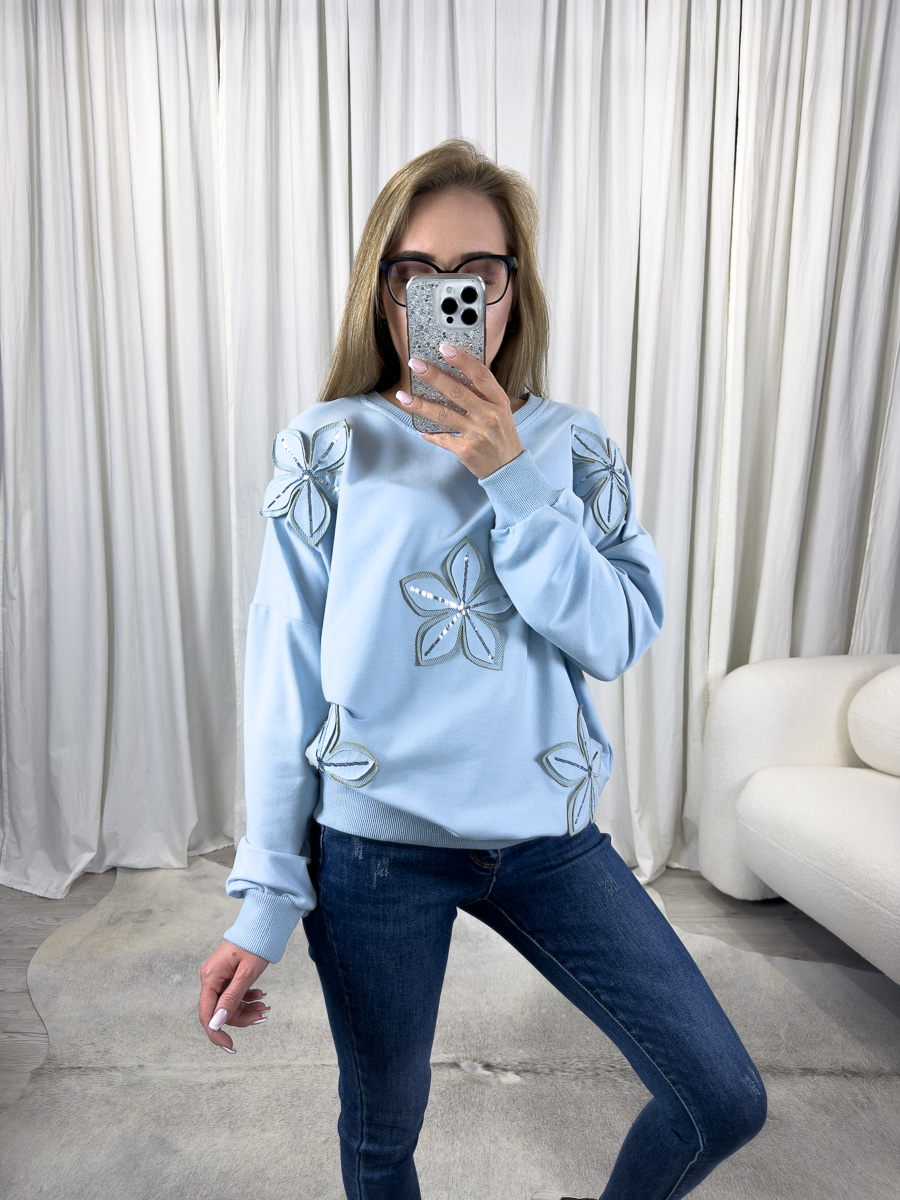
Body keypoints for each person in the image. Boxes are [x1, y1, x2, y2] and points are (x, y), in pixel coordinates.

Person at [198, 138, 767, 1200]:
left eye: (477, 273)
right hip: (375, 851)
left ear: (513, 290)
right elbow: (281, 673)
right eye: (415, 272)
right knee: (382, 1133)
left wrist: (511, 476)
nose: (447, 295)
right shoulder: (328, 444)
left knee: (721, 1097)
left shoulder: (574, 445)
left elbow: (615, 636)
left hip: (547, 839)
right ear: (382, 291)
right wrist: (264, 898)